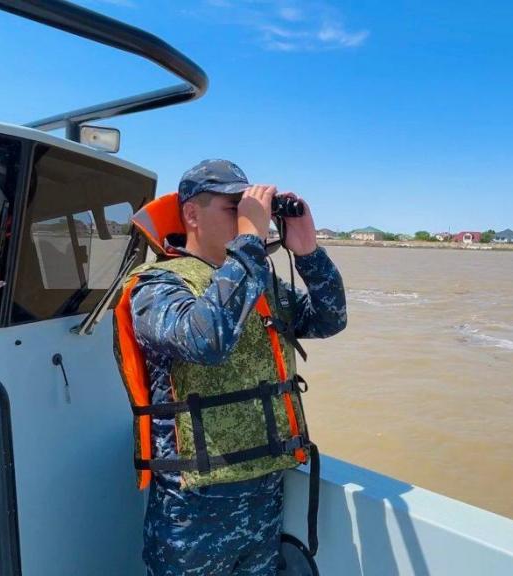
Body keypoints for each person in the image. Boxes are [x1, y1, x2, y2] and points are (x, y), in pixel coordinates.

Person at [112, 159, 347, 575]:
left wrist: (309, 253)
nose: (246, 218)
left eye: (250, 208)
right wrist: (250, 242)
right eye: (233, 207)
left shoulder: (259, 283)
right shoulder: (158, 286)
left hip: (264, 492)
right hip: (195, 509)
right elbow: (205, 339)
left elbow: (329, 319)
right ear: (191, 214)